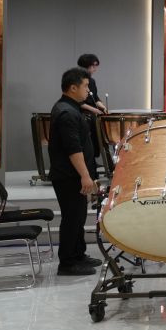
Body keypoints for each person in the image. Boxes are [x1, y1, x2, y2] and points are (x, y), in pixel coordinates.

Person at [49, 68, 100, 275]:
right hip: (69, 176)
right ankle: (67, 262)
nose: (88, 90)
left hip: (73, 175)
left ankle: (79, 254)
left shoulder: (71, 108)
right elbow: (73, 149)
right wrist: (85, 176)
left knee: (78, 217)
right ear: (72, 87)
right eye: (85, 86)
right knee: (72, 218)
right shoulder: (66, 112)